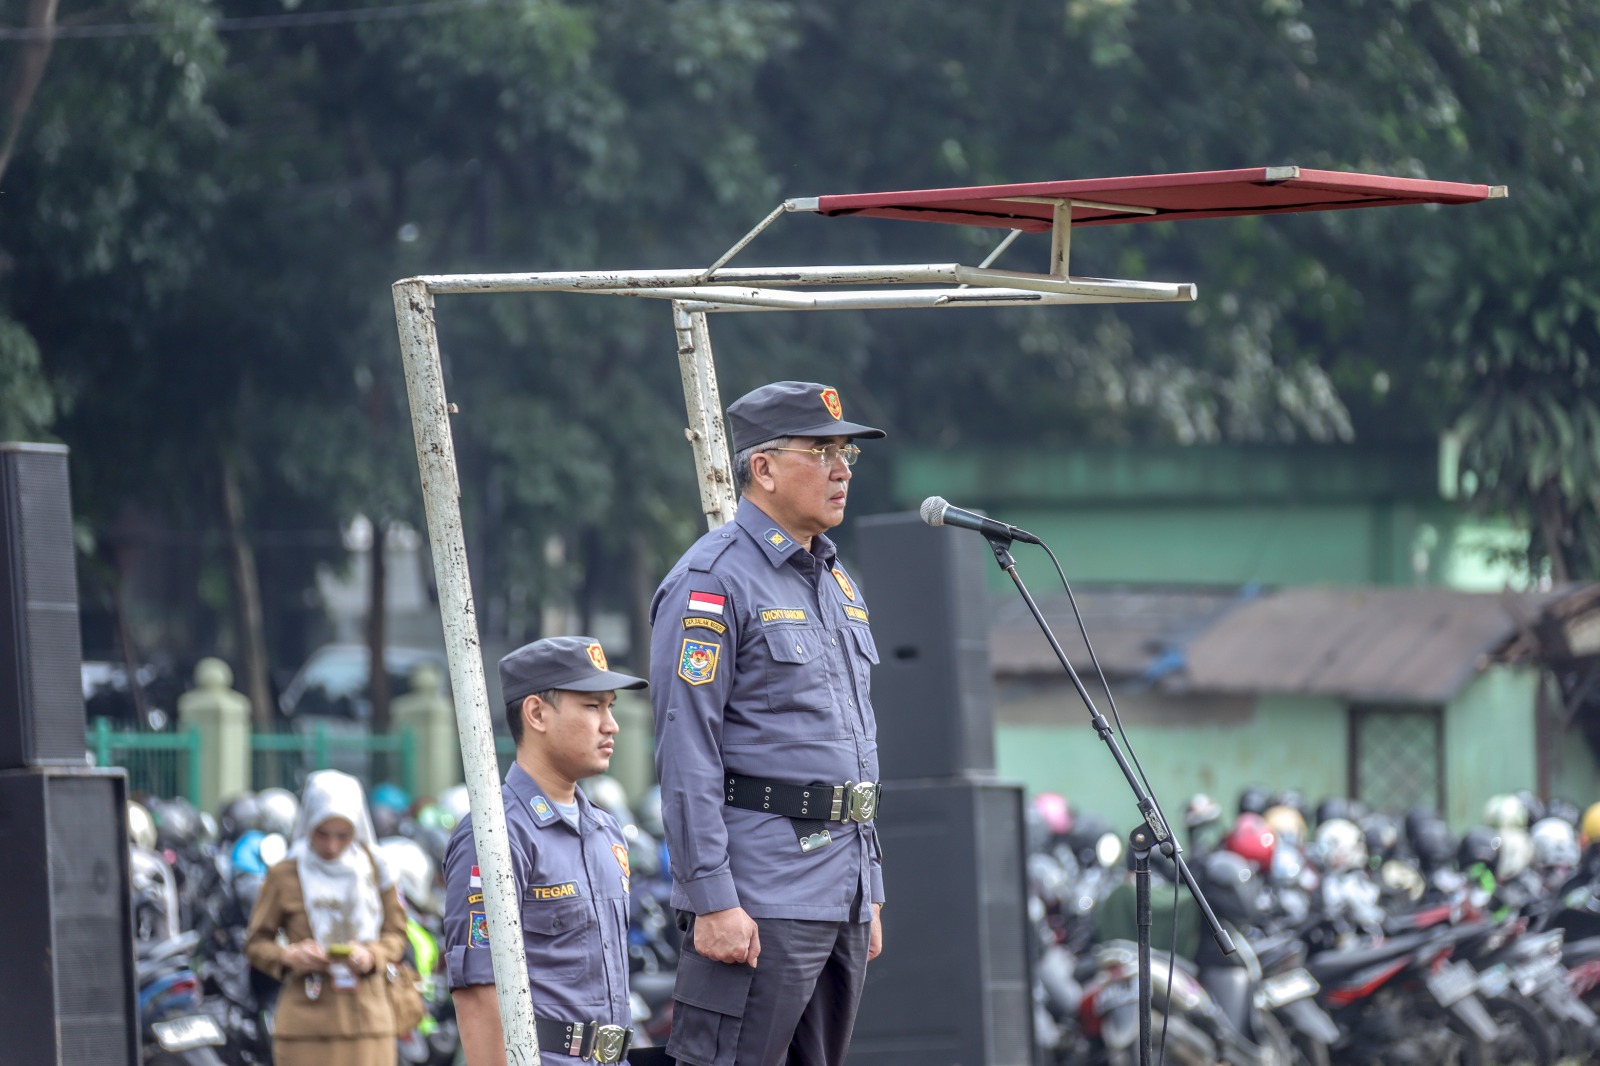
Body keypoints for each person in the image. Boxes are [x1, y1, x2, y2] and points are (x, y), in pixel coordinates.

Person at [649, 379, 887, 1066]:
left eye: (847, 453)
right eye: (822, 451)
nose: (842, 469)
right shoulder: (713, 580)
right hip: (759, 894)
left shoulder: (836, 582)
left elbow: (853, 743)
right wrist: (712, 899)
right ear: (764, 467)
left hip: (839, 889)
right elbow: (686, 749)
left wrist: (870, 889)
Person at [441, 636, 646, 1066]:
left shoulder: (607, 832)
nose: (611, 724)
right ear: (537, 713)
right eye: (593, 707)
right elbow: (479, 994)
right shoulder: (497, 835)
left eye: (609, 706)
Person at [244, 769, 408, 1066]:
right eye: (322, 833)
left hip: (368, 1022)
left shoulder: (377, 869)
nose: (332, 846)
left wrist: (371, 955)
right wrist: (289, 956)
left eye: (343, 835)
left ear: (357, 829)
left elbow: (397, 934)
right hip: (306, 1024)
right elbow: (255, 943)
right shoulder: (285, 874)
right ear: (308, 824)